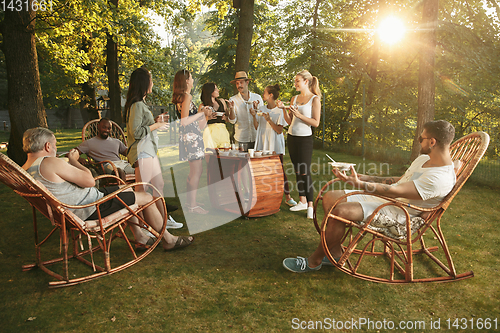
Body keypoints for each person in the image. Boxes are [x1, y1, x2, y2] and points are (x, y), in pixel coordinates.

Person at [282, 120, 457, 273]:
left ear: (432, 141)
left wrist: (361, 185)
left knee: (340, 211)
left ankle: (314, 261)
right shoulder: (424, 159)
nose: (419, 142)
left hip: (402, 214)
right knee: (329, 197)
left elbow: (396, 191)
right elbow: (400, 181)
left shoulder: (439, 178)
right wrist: (364, 178)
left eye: (421, 139)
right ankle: (334, 253)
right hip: (389, 200)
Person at [22, 127, 193, 251]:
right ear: (47, 147)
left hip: (78, 207)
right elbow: (89, 181)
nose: (56, 148)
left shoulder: (25, 169)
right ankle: (169, 240)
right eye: (55, 144)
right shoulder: (49, 162)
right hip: (90, 208)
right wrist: (73, 160)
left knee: (126, 189)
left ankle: (140, 236)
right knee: (146, 196)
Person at [125, 67, 183, 229]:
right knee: (142, 190)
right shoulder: (136, 105)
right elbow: (135, 132)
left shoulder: (141, 104)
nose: (152, 83)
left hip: (149, 150)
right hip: (142, 151)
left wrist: (155, 122)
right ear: (144, 83)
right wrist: (156, 125)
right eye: (150, 80)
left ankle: (164, 220)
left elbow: (143, 126)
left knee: (159, 185)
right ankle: (143, 227)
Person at [279, 70, 321, 219]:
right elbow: (290, 121)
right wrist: (284, 110)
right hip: (292, 137)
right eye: (295, 81)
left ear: (306, 82)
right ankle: (301, 201)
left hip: (305, 139)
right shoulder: (294, 98)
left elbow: (316, 122)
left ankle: (310, 205)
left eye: (297, 81)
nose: (295, 83)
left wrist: (300, 115)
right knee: (297, 170)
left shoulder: (314, 99)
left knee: (305, 171)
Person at [172, 69, 213, 214]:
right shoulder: (187, 96)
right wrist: (201, 113)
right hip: (191, 138)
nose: (193, 79)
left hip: (192, 136)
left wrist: (205, 116)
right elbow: (184, 121)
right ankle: (192, 206)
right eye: (191, 77)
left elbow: (197, 124)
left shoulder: (182, 97)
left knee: (194, 171)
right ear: (186, 81)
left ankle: (191, 201)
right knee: (197, 171)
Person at [250, 84, 296, 206]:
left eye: (265, 92)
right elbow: (256, 127)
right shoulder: (261, 109)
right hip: (262, 143)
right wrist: (254, 115)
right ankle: (265, 196)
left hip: (275, 144)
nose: (263, 94)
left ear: (270, 95)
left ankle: (288, 197)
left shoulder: (279, 110)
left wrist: (269, 120)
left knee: (280, 171)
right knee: (262, 171)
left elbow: (279, 130)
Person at [228, 71, 264, 150]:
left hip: (257, 137)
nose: (239, 85)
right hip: (241, 139)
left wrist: (257, 109)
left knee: (257, 162)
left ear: (247, 82)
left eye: (241, 83)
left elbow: (263, 117)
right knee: (242, 162)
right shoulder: (233, 100)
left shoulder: (257, 98)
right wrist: (231, 109)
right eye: (237, 83)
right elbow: (232, 121)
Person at [199, 82, 231, 149]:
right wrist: (207, 118)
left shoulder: (222, 102)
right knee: (211, 157)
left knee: (225, 156)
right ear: (210, 91)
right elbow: (200, 126)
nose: (218, 90)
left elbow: (230, 119)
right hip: (210, 133)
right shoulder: (202, 106)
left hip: (223, 133)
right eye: (216, 89)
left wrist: (225, 118)